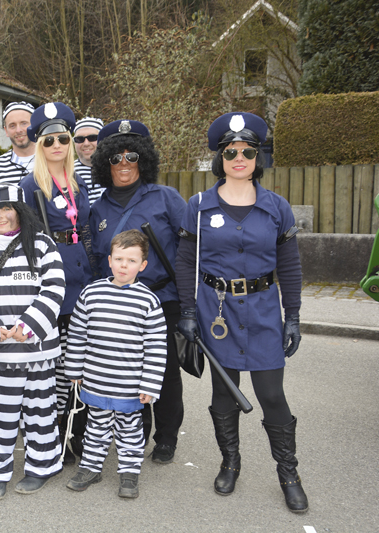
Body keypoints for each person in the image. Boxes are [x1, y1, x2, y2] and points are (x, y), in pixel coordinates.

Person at [176, 112, 307, 513]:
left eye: (247, 151)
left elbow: (290, 266)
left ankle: (289, 474)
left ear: (257, 157)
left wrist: (293, 316)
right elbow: (186, 262)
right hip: (216, 312)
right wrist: (187, 312)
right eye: (230, 151)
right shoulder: (199, 206)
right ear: (220, 157)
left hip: (264, 311)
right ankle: (230, 462)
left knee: (272, 394)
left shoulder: (276, 207)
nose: (239, 158)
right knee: (223, 394)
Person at [89, 119, 187, 464]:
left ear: (143, 159)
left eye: (132, 156)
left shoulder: (167, 198)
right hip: (119, 304)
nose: (124, 164)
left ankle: (167, 437)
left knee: (165, 372)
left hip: (162, 299)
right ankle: (137, 433)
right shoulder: (98, 209)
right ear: (105, 163)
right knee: (128, 370)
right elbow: (97, 259)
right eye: (115, 157)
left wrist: (189, 306)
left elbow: (189, 251)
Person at [0, 183, 65, 500]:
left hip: (37, 351)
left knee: (40, 413)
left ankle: (41, 467)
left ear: (20, 211)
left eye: (7, 208)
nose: (1, 216)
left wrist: (28, 326)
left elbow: (54, 288)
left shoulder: (43, 245)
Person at [64, 229, 167, 498]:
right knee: (95, 427)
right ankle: (91, 468)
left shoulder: (149, 301)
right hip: (96, 380)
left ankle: (129, 473)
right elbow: (77, 334)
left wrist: (150, 385)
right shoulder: (91, 293)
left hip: (129, 385)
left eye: (131, 261)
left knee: (129, 431)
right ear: (109, 260)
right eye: (119, 259)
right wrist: (74, 368)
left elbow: (156, 347)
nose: (124, 266)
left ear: (142, 265)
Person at [19, 102, 93, 460]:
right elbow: (26, 239)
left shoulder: (78, 182)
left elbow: (87, 228)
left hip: (83, 272)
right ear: (39, 144)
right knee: (59, 362)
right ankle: (57, 430)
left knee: (81, 356)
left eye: (63, 138)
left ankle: (78, 429)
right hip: (53, 277)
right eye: (48, 140)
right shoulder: (30, 184)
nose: (57, 146)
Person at [0, 102, 36, 212]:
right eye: (12, 125)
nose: (18, 130)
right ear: (6, 130)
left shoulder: (52, 163)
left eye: (24, 123)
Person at [73, 117, 104, 205]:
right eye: (80, 139)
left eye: (92, 137)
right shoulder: (67, 173)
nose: (86, 143)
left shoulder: (116, 168)